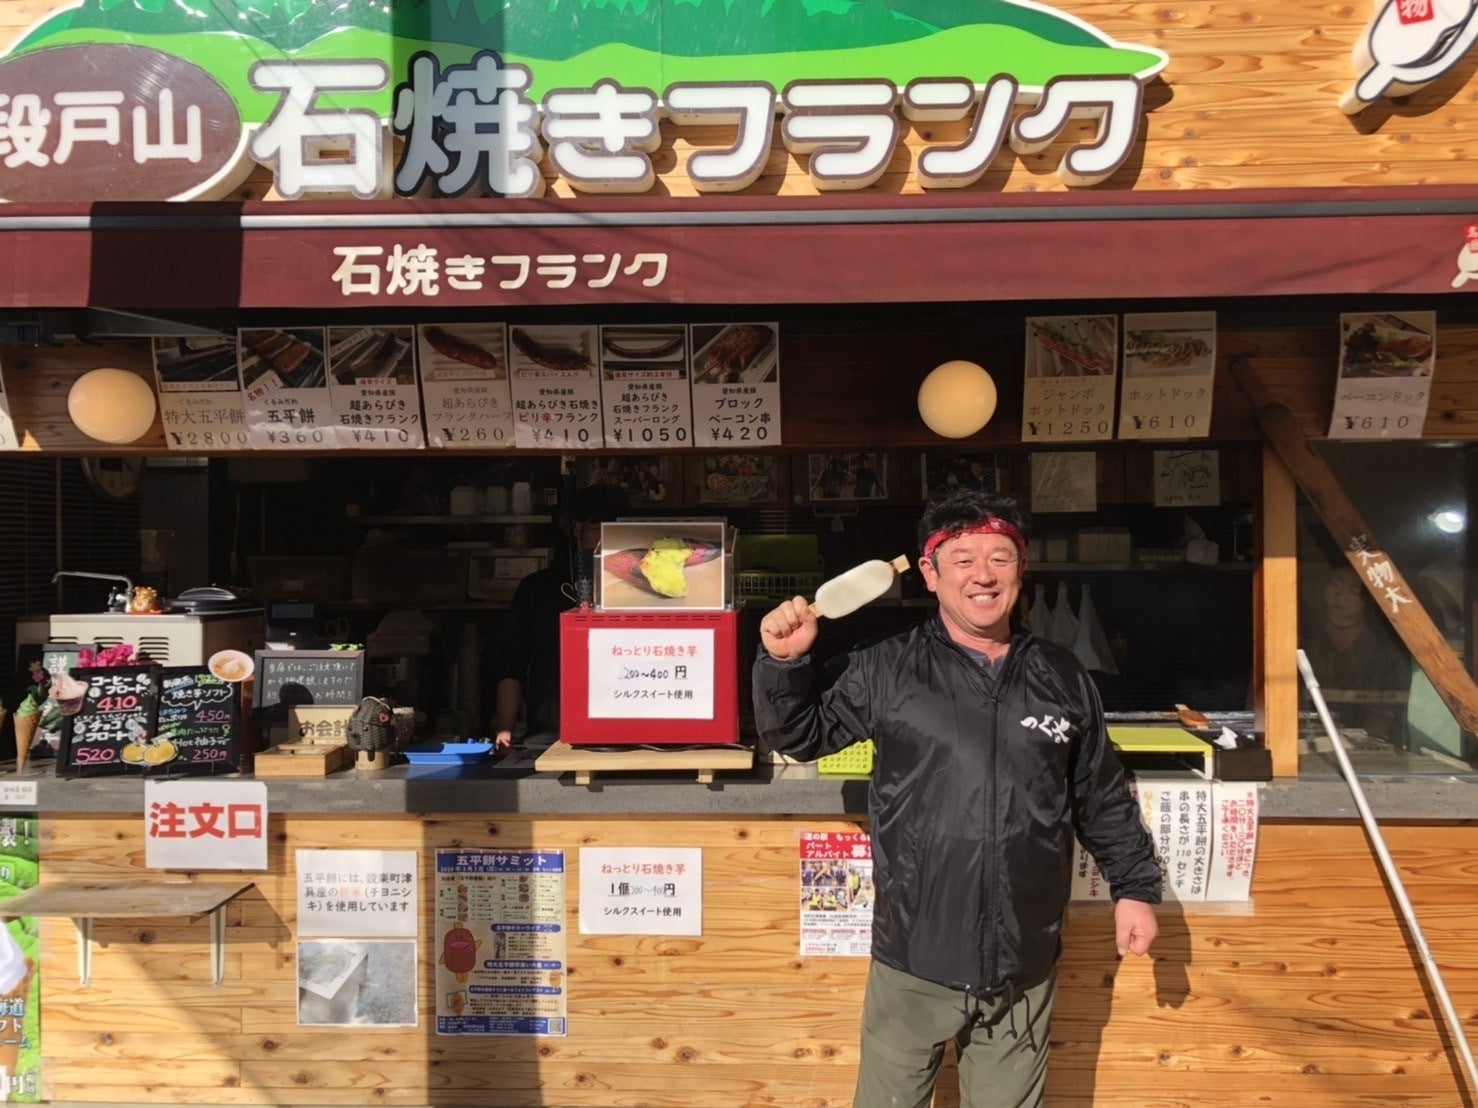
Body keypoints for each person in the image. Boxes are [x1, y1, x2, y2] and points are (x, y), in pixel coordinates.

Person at [752, 489, 1161, 1108]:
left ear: (1021, 569)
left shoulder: (1062, 675)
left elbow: (1099, 793)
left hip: (1023, 962)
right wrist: (784, 665)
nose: (983, 576)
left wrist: (1135, 888)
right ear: (930, 572)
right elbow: (799, 736)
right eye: (963, 559)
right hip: (913, 954)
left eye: (1000, 557)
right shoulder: (887, 667)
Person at [492, 482, 630, 751]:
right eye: (598, 525)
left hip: (622, 732)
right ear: (576, 528)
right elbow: (512, 664)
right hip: (549, 734)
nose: (606, 535)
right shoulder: (538, 588)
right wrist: (505, 728)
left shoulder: (636, 587)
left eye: (616, 527)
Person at [1300, 561, 1410, 746]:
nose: (1341, 597)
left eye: (1354, 591)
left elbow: (1387, 706)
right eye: (1336, 584)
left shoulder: (1384, 647)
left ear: (1369, 599)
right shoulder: (1305, 637)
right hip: (1308, 737)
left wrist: (1371, 740)